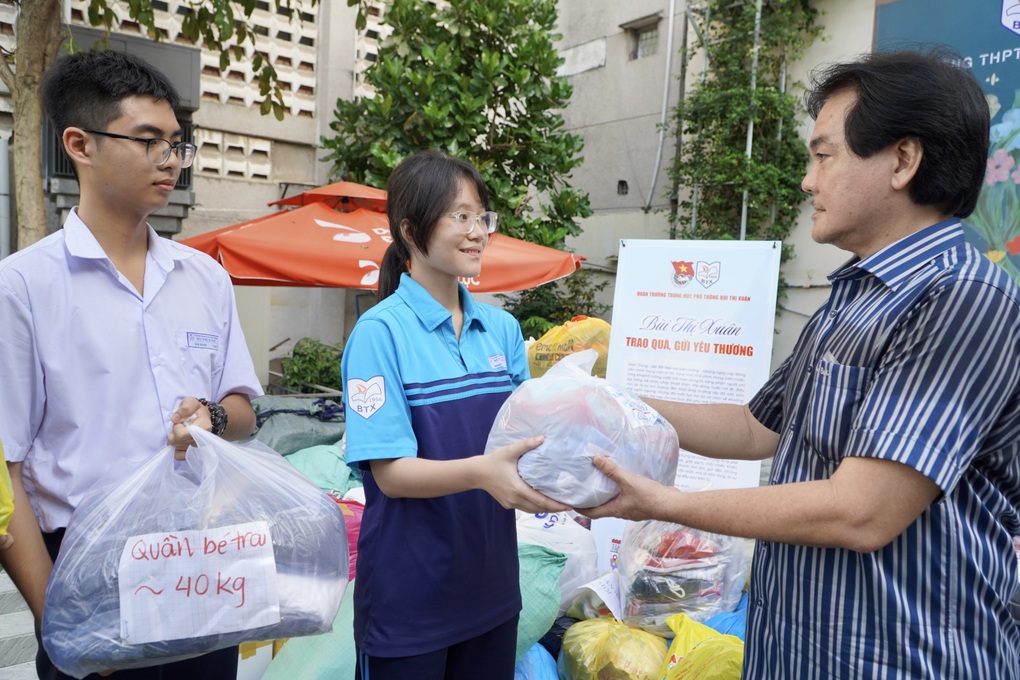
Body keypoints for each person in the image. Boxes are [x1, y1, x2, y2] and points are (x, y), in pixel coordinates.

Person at [582, 50, 1020, 678]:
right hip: (798, 649)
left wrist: (663, 502)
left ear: (902, 160)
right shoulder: (852, 298)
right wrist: (608, 403)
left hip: (902, 659)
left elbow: (861, 510)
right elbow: (754, 428)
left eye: (824, 154)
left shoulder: (959, 295)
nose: (808, 181)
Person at [0, 50, 263, 679]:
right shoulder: (23, 288)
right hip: (89, 570)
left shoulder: (205, 277)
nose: (170, 161)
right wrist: (61, 622)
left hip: (202, 562)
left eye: (177, 144)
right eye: (149, 142)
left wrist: (213, 418)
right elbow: (5, 469)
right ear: (79, 145)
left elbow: (245, 410)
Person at [341, 149, 568, 680]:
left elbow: (526, 437)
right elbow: (391, 475)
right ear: (411, 231)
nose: (478, 232)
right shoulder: (380, 335)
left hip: (490, 593)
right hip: (409, 601)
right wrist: (483, 473)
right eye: (459, 216)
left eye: (482, 217)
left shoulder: (503, 331)